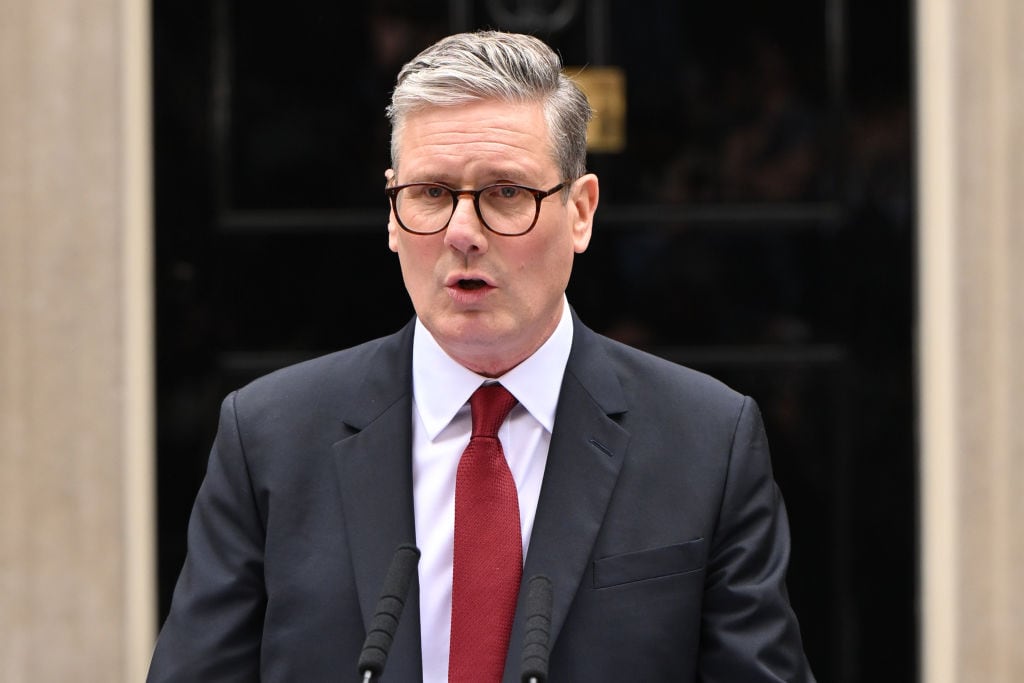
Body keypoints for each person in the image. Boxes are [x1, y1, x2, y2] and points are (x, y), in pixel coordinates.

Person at [148, 30, 816, 682]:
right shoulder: (269, 437)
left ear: (580, 212)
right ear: (391, 210)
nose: (462, 233)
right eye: (431, 194)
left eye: (506, 194)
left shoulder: (706, 441)